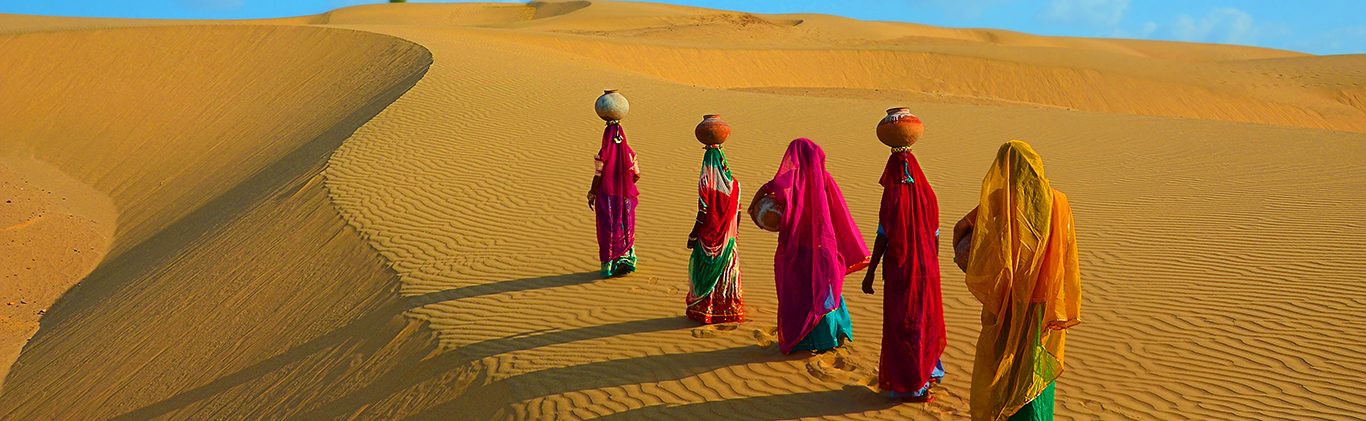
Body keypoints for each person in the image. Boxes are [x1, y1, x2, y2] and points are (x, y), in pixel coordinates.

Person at [954, 140, 1081, 421]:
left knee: (1006, 367)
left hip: (1009, 304)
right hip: (1043, 305)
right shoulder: (1059, 201)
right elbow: (1067, 252)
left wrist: (964, 254)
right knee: (1035, 367)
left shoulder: (1002, 198)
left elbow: (963, 228)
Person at [748, 138, 869, 354]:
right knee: (825, 288)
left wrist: (752, 209)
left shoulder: (787, 181)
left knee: (802, 292)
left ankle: (807, 338)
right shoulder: (825, 179)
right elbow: (839, 213)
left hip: (799, 249)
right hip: (824, 247)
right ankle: (833, 334)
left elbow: (766, 189)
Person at [861, 145, 947, 402]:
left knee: (904, 324)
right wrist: (930, 265)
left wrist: (870, 272)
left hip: (901, 270)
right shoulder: (928, 194)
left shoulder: (893, 195)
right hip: (927, 269)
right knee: (925, 320)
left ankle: (912, 385)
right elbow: (935, 235)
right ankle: (929, 371)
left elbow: (883, 236)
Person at [685, 143, 745, 323]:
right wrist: (733, 234)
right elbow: (738, 212)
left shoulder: (706, 181)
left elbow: (703, 211)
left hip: (709, 237)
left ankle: (706, 310)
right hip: (728, 238)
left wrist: (693, 234)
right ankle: (728, 309)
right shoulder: (734, 183)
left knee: (706, 271)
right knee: (727, 272)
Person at [587, 120, 640, 277]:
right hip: (626, 197)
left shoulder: (603, 153)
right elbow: (637, 175)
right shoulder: (630, 153)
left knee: (609, 228)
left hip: (607, 198)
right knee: (626, 225)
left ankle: (610, 264)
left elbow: (598, 175)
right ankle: (626, 259)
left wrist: (592, 192)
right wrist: (625, 185)